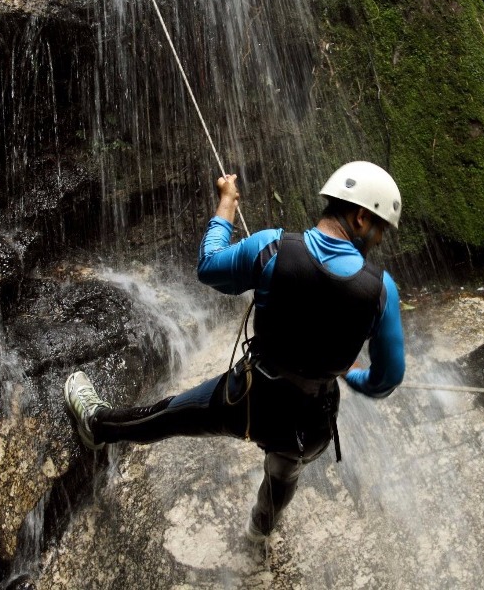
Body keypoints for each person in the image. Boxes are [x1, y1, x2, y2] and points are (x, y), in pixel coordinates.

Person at [63, 160, 406, 542]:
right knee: (284, 472)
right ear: (360, 217)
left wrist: (226, 202)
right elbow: (386, 380)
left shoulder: (272, 247)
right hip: (309, 422)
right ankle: (261, 528)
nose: (379, 240)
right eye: (380, 230)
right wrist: (353, 375)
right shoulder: (382, 290)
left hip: (248, 399)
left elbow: (209, 266)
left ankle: (96, 425)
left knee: (167, 415)